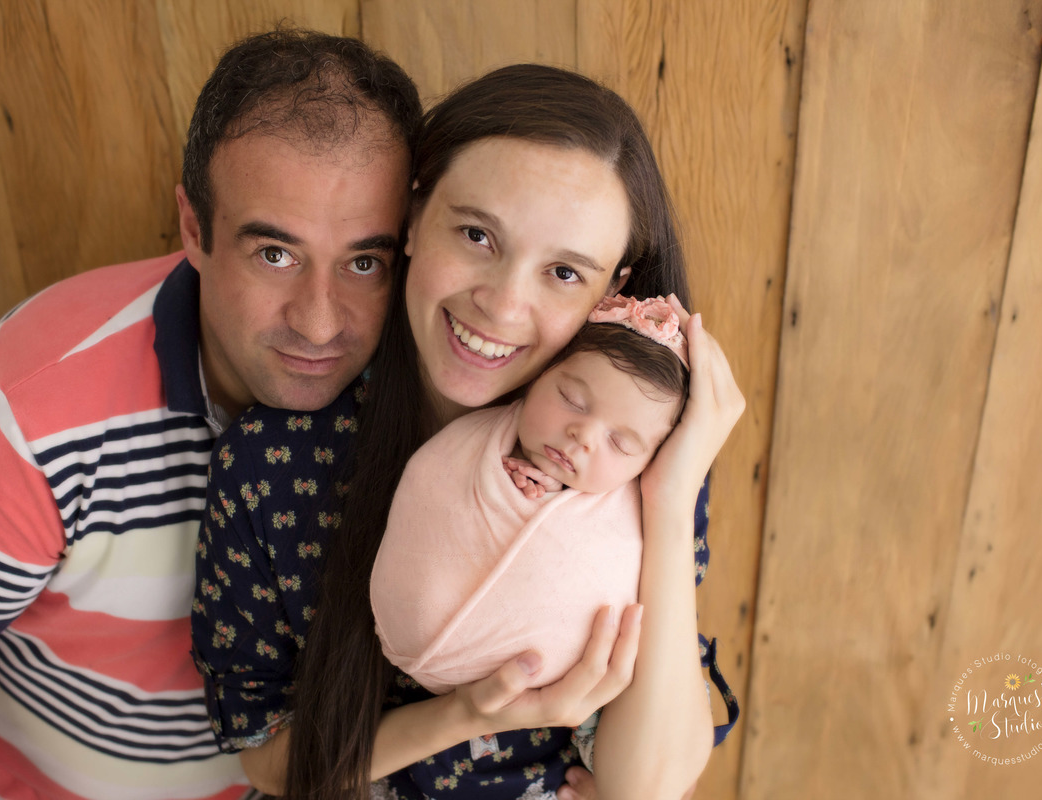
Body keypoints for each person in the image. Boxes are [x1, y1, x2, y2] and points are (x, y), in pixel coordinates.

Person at [192, 64, 744, 800]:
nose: (503, 305)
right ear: (413, 217)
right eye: (478, 235)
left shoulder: (623, 458)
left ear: (614, 290)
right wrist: (468, 713)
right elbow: (265, 756)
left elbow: (646, 787)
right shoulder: (274, 466)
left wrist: (670, 503)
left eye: (564, 272)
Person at [0, 29, 421, 800]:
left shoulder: (418, 386)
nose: (319, 323)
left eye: (364, 262)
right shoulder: (28, 417)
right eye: (275, 253)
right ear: (193, 229)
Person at [371, 296, 693, 697]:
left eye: (621, 443)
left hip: (560, 702)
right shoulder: (470, 442)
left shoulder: (644, 515)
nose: (584, 437)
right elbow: (434, 494)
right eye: (572, 400)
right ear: (540, 375)